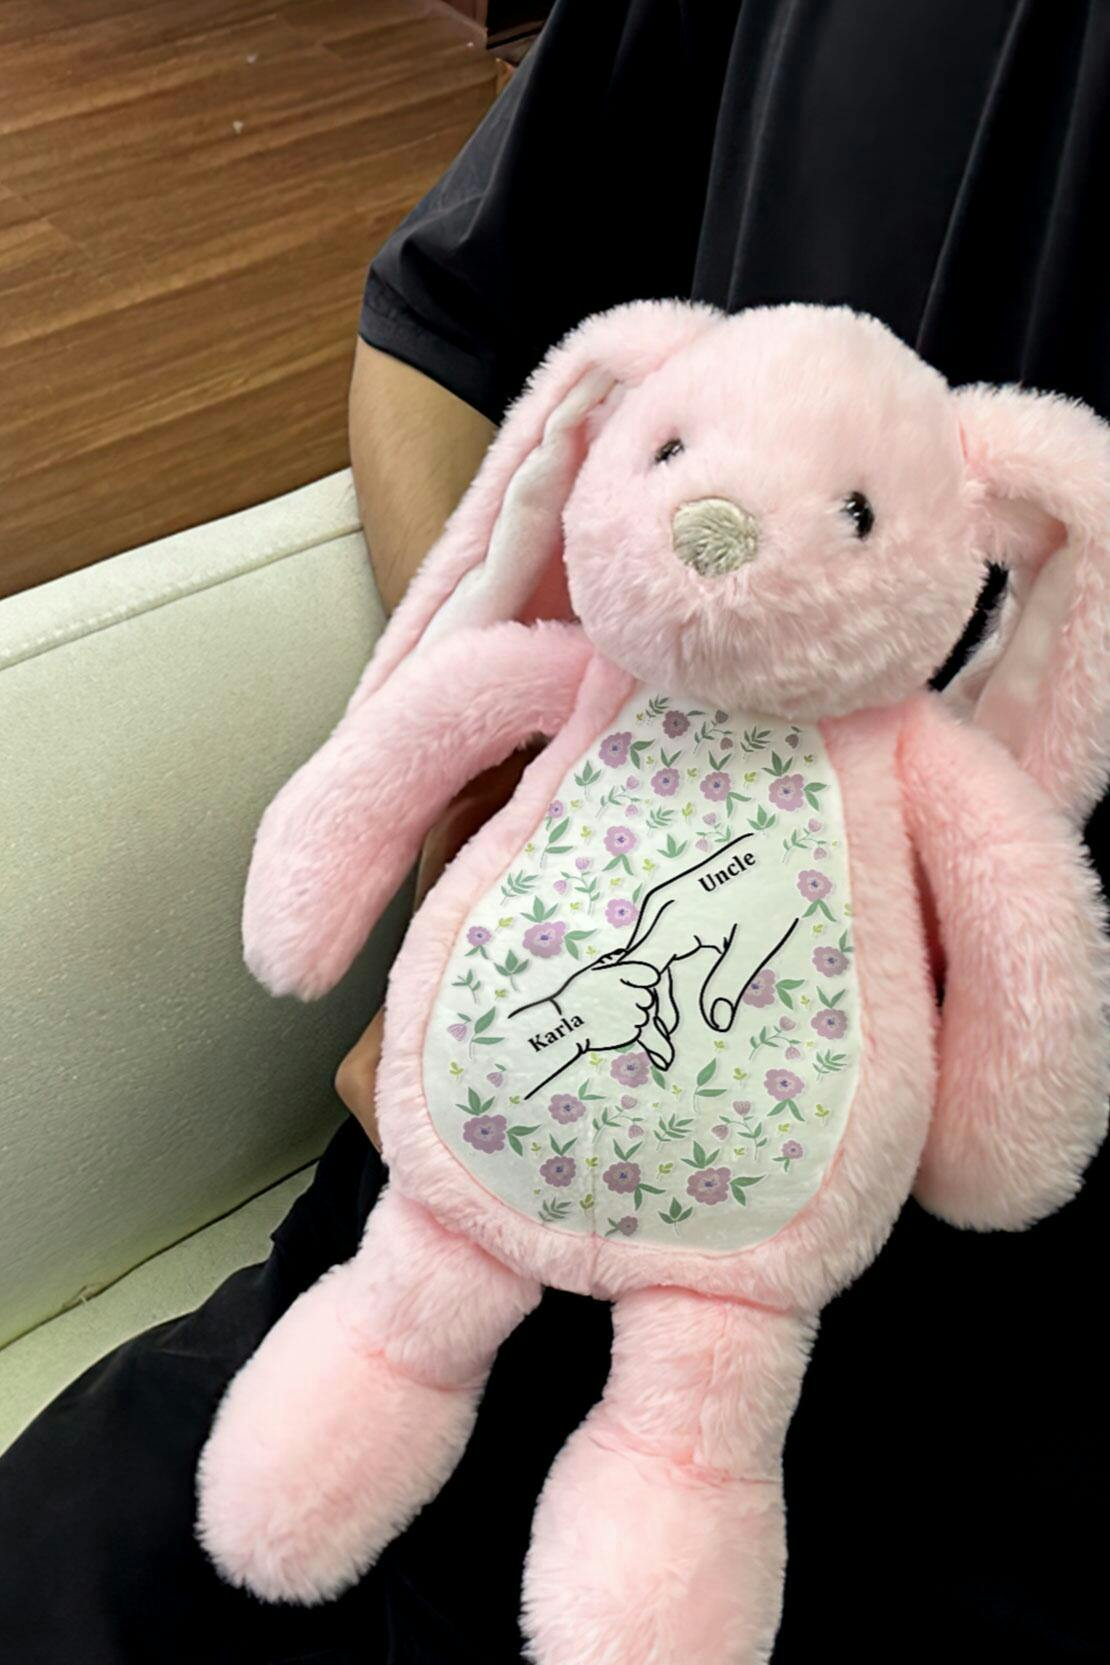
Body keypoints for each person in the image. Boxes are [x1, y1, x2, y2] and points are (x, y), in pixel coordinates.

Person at [1, 4, 1105, 1661]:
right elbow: (444, 333)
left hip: (976, 1436)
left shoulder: (973, 767)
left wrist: (985, 1125)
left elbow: (1022, 974)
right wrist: (485, 861)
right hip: (460, 1189)